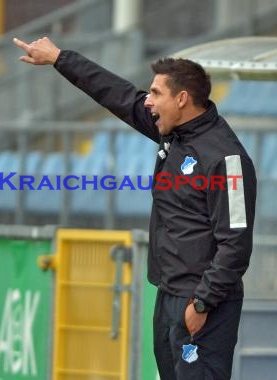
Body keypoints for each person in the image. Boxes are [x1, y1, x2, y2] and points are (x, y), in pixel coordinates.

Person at [13, 36, 257, 380]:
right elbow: (118, 94)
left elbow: (236, 243)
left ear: (182, 99)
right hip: (170, 295)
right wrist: (59, 58)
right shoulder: (173, 133)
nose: (148, 101)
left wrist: (203, 303)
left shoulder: (225, 158)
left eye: (156, 93)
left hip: (202, 303)